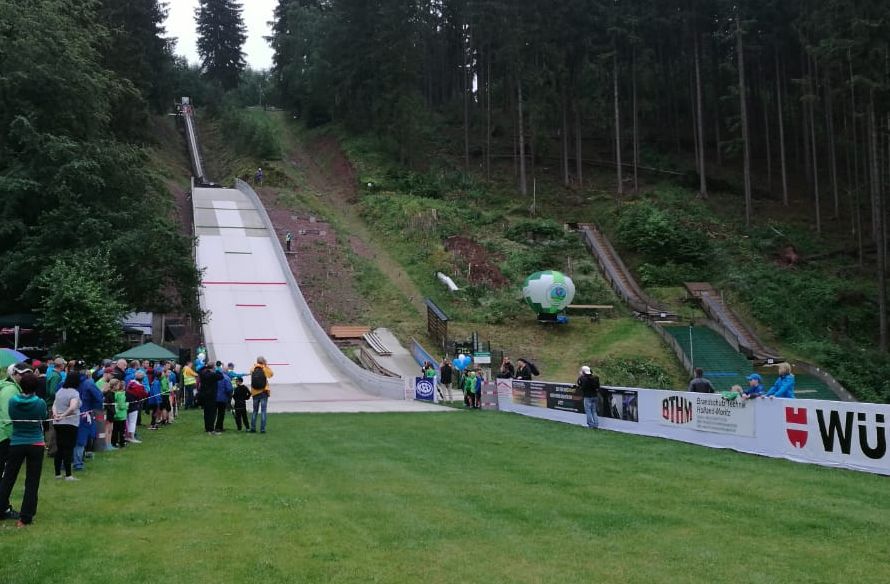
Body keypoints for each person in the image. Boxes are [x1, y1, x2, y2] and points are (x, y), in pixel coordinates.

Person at [0, 372, 46, 526]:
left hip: (16, 442)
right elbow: (43, 417)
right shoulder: (40, 403)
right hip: (35, 443)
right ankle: (25, 517)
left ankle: (1, 509)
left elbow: (13, 417)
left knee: (8, 479)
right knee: (32, 481)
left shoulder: (13, 401)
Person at [0, 364, 28, 477]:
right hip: (4, 434)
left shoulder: (14, 388)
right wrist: (13, 435)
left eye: (26, 374)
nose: (24, 377)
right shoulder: (10, 389)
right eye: (21, 374)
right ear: (14, 374)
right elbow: (7, 416)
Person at [52, 377, 81, 480]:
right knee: (68, 448)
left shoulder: (59, 391)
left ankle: (57, 474)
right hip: (70, 423)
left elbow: (54, 404)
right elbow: (73, 407)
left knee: (59, 448)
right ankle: (68, 475)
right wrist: (64, 415)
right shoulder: (74, 393)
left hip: (57, 423)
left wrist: (56, 415)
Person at [248, 357, 273, 433]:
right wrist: (266, 365)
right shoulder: (264, 368)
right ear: (263, 361)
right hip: (263, 392)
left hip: (255, 392)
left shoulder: (253, 368)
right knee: (263, 411)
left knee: (255, 411)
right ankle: (262, 429)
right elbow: (271, 374)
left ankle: (253, 428)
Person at [198, 363, 223, 435]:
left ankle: (207, 428)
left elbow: (199, 370)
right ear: (213, 368)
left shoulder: (203, 374)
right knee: (212, 413)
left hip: (204, 395)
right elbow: (221, 376)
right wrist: (218, 370)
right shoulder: (213, 375)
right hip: (211, 396)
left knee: (206, 412)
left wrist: (205, 366)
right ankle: (211, 429)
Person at [125, 372, 148, 443]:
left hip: (126, 404)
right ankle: (131, 437)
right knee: (132, 421)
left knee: (127, 420)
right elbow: (144, 395)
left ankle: (126, 436)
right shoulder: (140, 387)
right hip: (134, 405)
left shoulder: (130, 383)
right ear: (143, 379)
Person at [214, 364, 233, 432]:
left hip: (215, 397)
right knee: (221, 413)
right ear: (226, 371)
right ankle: (219, 427)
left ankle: (216, 426)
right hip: (223, 398)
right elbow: (229, 389)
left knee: (215, 413)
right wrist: (230, 395)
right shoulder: (226, 378)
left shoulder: (216, 377)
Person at [110, 380, 128, 448]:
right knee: (121, 430)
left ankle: (114, 442)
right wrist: (127, 405)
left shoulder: (115, 393)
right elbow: (121, 406)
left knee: (115, 430)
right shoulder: (121, 394)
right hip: (121, 415)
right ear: (122, 387)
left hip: (116, 415)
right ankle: (122, 442)